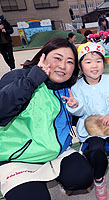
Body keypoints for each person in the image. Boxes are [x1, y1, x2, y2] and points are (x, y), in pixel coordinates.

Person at [0, 37, 94, 200]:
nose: (63, 66)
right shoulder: (18, 77)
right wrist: (31, 82)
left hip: (54, 152)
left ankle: (55, 179)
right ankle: (32, 182)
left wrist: (76, 109)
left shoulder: (67, 89)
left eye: (70, 62)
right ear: (42, 56)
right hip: (16, 157)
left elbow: (70, 121)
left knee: (83, 176)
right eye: (57, 58)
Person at [64, 42, 109, 200]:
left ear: (104, 63)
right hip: (92, 131)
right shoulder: (77, 88)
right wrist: (75, 106)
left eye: (98, 61)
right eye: (88, 62)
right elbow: (80, 111)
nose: (94, 66)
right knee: (95, 150)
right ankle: (99, 179)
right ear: (80, 65)